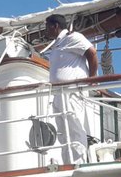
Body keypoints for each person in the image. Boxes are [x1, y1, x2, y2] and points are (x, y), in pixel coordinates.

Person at [41, 14, 98, 163]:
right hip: (59, 93)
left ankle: (78, 162)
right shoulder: (57, 43)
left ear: (55, 26)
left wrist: (92, 79)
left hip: (71, 92)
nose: (45, 31)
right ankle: (69, 162)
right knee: (63, 130)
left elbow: (91, 52)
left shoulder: (73, 37)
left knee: (75, 127)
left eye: (47, 27)